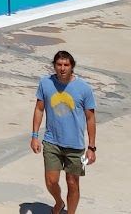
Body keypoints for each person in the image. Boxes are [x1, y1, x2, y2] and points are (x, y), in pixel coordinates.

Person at [30, 50, 97, 214]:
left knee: (73, 183)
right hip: (51, 142)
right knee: (51, 181)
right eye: (59, 64)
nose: (62, 68)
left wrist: (91, 147)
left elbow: (90, 118)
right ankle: (59, 202)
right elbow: (39, 109)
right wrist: (34, 136)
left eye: (66, 65)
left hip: (75, 146)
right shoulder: (45, 83)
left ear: (72, 66)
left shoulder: (84, 88)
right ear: (54, 66)